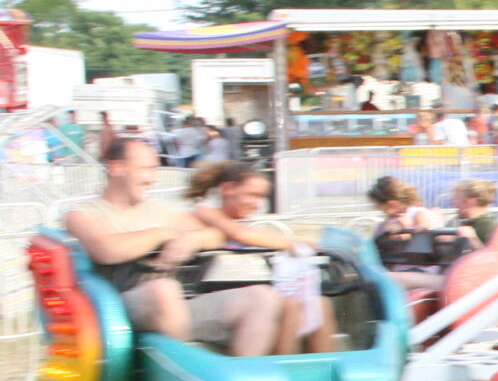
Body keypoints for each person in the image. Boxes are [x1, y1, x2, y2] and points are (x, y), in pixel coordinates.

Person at [62, 139, 285, 357]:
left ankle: (245, 380)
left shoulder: (161, 210)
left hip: (174, 303)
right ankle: (191, 375)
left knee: (262, 297)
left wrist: (192, 240)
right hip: (116, 309)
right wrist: (162, 234)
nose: (154, 178)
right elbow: (106, 249)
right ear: (117, 168)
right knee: (164, 289)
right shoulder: (83, 213)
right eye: (146, 169)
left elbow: (216, 236)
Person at [185, 160, 335, 352]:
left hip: (247, 294)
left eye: (261, 197)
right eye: (252, 195)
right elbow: (241, 235)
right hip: (215, 298)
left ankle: (325, 369)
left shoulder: (237, 224)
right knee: (288, 305)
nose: (257, 204)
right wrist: (291, 244)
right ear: (228, 189)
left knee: (320, 304)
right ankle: (283, 367)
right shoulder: (206, 214)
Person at [367, 176, 465, 292]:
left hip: (419, 268)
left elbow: (421, 232)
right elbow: (373, 245)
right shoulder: (388, 222)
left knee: (382, 280)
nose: (378, 209)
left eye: (378, 205)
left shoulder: (417, 214)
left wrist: (406, 229)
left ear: (391, 204)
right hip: (401, 269)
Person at [451, 178, 498, 246]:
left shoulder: (487, 226)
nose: (453, 203)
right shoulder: (472, 225)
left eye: (456, 198)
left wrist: (472, 239)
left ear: (470, 201)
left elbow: (493, 255)